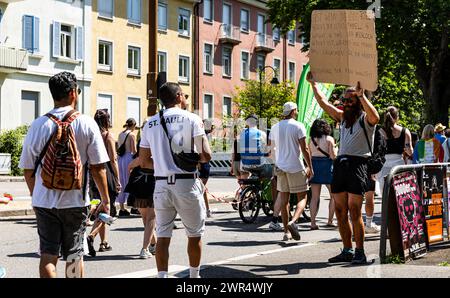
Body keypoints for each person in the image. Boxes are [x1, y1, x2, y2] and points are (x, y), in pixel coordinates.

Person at [19, 72, 110, 278]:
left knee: (48, 256)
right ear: (72, 93)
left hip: (44, 202)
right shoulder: (87, 123)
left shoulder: (37, 125)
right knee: (74, 257)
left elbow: (27, 168)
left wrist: (37, 196)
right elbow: (98, 168)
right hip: (76, 201)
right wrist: (105, 199)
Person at [140, 82, 212, 278]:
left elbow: (144, 161)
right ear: (179, 96)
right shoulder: (192, 119)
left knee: (163, 234)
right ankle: (194, 276)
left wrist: (164, 165)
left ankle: (162, 276)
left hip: (161, 183)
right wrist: (189, 161)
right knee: (194, 233)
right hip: (186, 182)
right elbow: (206, 155)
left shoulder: (150, 123)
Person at [307, 72, 380, 264]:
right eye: (344, 99)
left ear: (357, 100)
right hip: (340, 164)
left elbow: (376, 117)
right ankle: (347, 249)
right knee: (340, 211)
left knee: (355, 210)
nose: (346, 103)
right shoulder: (342, 118)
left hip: (358, 165)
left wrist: (362, 95)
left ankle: (360, 252)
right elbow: (324, 103)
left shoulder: (365, 119)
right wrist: (314, 84)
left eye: (350, 99)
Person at [269, 102, 313, 242]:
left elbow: (270, 149)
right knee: (302, 197)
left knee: (284, 200)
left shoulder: (275, 127)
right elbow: (304, 148)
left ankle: (286, 233)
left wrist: (276, 162)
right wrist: (310, 167)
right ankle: (293, 221)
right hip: (295, 166)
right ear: (293, 111)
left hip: (280, 167)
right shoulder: (298, 126)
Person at [85, 109, 120, 257]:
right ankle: (92, 236)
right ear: (107, 120)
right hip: (106, 172)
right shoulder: (108, 136)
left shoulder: (92, 135)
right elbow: (113, 160)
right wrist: (118, 179)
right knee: (107, 208)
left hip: (93, 174)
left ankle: (104, 242)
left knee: (100, 208)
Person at [126, 121, 157, 259]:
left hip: (139, 178)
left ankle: (152, 244)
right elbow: (147, 161)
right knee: (149, 217)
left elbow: (140, 160)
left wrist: (132, 165)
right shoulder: (157, 141)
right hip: (149, 180)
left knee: (147, 217)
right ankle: (147, 247)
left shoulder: (143, 140)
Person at [308, 119, 336, 230]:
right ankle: (330, 220)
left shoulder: (310, 140)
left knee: (314, 197)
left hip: (314, 166)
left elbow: (308, 155)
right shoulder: (329, 139)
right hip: (327, 167)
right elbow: (333, 156)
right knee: (333, 195)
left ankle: (313, 223)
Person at [117, 118, 137, 216]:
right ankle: (133, 206)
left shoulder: (120, 134)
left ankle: (121, 208)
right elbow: (134, 150)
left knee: (121, 181)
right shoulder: (132, 135)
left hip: (120, 159)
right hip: (129, 158)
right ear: (133, 125)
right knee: (131, 181)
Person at [200, 120, 214, 218]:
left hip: (202, 164)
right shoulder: (204, 136)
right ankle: (207, 210)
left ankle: (205, 210)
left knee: (201, 189)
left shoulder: (203, 135)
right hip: (203, 165)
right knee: (202, 189)